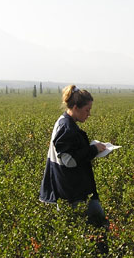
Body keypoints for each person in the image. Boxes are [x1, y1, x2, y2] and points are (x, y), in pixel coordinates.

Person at [39, 84, 109, 228]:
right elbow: (69, 161)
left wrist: (92, 150)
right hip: (72, 192)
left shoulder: (63, 122)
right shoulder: (67, 128)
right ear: (76, 107)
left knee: (90, 227)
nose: (89, 114)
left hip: (71, 189)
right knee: (93, 228)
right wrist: (93, 150)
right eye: (87, 110)